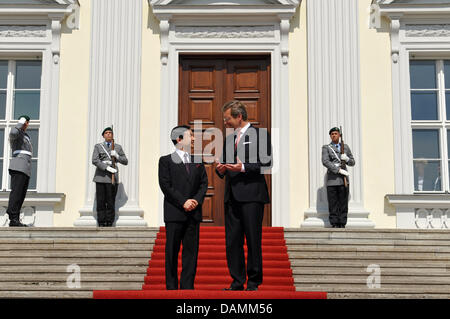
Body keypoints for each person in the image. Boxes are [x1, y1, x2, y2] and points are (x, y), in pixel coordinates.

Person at [215, 100, 272, 291]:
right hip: (231, 196)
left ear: (239, 116)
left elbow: (266, 163)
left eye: (227, 118)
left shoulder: (260, 135)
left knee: (253, 240)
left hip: (252, 196)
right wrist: (220, 169)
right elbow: (224, 163)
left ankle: (254, 282)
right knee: (232, 241)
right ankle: (237, 281)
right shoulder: (229, 139)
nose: (225, 122)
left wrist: (243, 167)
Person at [158, 125, 208, 290]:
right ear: (179, 139)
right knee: (172, 251)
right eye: (190, 135)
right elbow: (165, 185)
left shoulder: (198, 161)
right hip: (175, 212)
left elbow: (203, 184)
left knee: (191, 253)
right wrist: (183, 202)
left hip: (193, 213)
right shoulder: (165, 161)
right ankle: (171, 287)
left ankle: (187, 286)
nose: (193, 139)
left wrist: (195, 200)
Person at [92, 127, 128, 227]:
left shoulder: (117, 147)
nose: (108, 134)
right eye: (106, 133)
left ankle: (109, 221)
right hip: (101, 176)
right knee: (101, 200)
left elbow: (125, 161)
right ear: (103, 136)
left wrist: (117, 156)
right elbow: (94, 160)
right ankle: (101, 221)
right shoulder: (98, 146)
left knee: (111, 200)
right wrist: (106, 168)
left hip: (113, 178)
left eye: (110, 133)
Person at [321, 127, 355, 228]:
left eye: (336, 133)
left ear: (339, 135)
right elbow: (325, 161)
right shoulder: (326, 148)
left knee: (343, 203)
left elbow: (353, 162)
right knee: (333, 202)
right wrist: (338, 170)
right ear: (330, 136)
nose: (334, 135)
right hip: (332, 180)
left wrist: (347, 159)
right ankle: (334, 223)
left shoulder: (346, 147)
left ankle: (342, 222)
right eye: (332, 134)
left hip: (344, 180)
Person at [7, 115, 33, 227]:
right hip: (18, 166)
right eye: (25, 122)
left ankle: (15, 218)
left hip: (25, 168)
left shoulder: (25, 135)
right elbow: (13, 133)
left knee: (21, 195)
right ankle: (12, 217)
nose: (26, 124)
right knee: (16, 193)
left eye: (27, 122)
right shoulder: (17, 133)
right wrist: (20, 123)